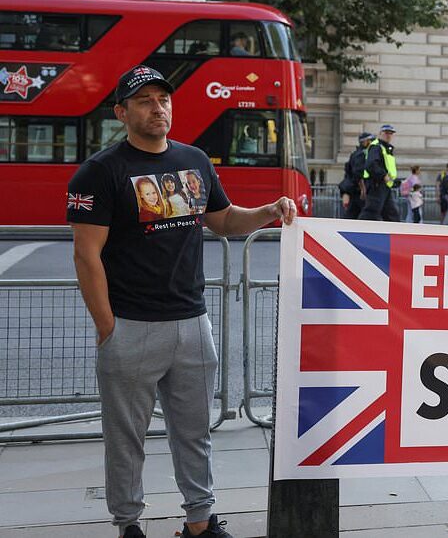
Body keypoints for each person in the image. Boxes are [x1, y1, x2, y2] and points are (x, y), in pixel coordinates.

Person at [68, 65, 296, 538]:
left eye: (164, 99)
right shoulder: (100, 172)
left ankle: (200, 522)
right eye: (146, 100)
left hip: (193, 323)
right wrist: (108, 327)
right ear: (121, 112)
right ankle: (128, 524)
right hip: (130, 325)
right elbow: (86, 255)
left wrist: (270, 212)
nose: (158, 108)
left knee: (194, 434)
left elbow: (226, 220)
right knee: (125, 440)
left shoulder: (194, 161)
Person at [358, 125, 399, 222]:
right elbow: (371, 165)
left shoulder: (385, 148)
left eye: (391, 133)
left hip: (384, 185)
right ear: (380, 134)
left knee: (391, 213)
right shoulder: (377, 147)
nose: (389, 135)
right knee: (371, 212)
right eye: (386, 133)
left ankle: (395, 233)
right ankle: (360, 232)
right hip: (376, 184)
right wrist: (383, 175)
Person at [339, 133, 373, 220]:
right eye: (370, 141)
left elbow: (348, 172)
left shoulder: (356, 154)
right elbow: (357, 173)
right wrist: (362, 188)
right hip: (359, 191)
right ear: (364, 142)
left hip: (355, 190)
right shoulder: (362, 154)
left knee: (352, 216)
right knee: (365, 215)